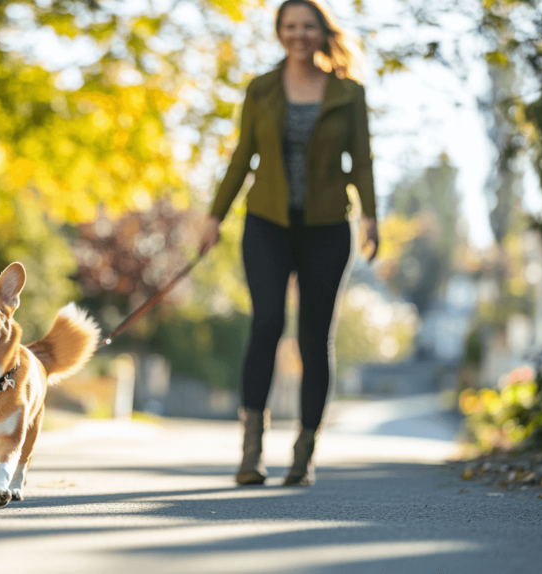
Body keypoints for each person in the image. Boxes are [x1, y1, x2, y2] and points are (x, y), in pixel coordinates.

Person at [198, 0, 379, 487]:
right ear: (280, 32)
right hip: (266, 223)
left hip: (326, 227)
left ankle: (304, 454)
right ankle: (252, 452)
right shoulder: (261, 89)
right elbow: (242, 156)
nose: (299, 35)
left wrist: (371, 219)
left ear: (323, 32)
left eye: (307, 26)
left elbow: (361, 160)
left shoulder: (348, 92)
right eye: (290, 26)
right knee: (268, 323)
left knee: (314, 337)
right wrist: (214, 216)